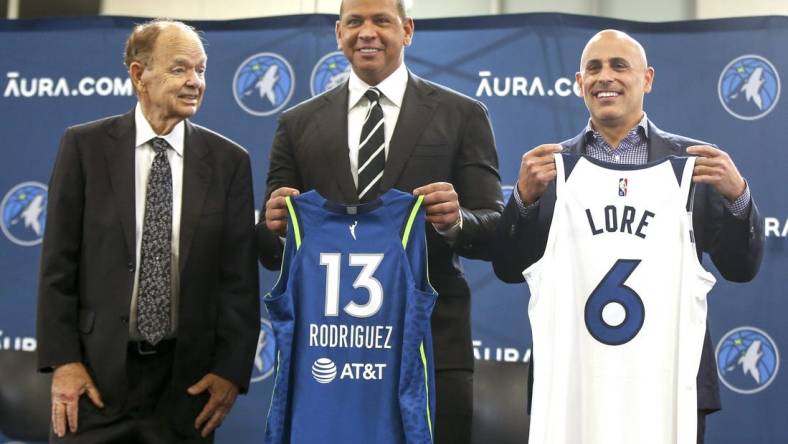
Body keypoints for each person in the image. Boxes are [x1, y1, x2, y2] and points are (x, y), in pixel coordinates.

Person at [492, 29, 764, 443]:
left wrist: (738, 196)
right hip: (574, 386)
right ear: (579, 83)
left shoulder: (695, 167)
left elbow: (741, 268)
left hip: (668, 386)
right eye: (594, 68)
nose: (606, 77)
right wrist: (523, 203)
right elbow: (510, 269)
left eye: (620, 66)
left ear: (647, 79)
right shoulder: (549, 170)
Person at [256, 0, 503, 442]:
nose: (366, 32)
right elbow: (272, 251)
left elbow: (494, 229)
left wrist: (456, 221)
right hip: (329, 353)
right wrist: (273, 227)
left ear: (406, 30)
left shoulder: (462, 115)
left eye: (381, 21)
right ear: (338, 33)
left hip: (430, 344)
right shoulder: (297, 124)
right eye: (355, 22)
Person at [36, 19, 260, 443]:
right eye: (180, 69)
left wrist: (230, 372)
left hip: (186, 389)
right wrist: (63, 362)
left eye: (201, 69)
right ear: (139, 75)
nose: (195, 81)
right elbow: (56, 266)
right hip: (94, 382)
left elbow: (239, 282)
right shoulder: (84, 148)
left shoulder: (229, 161)